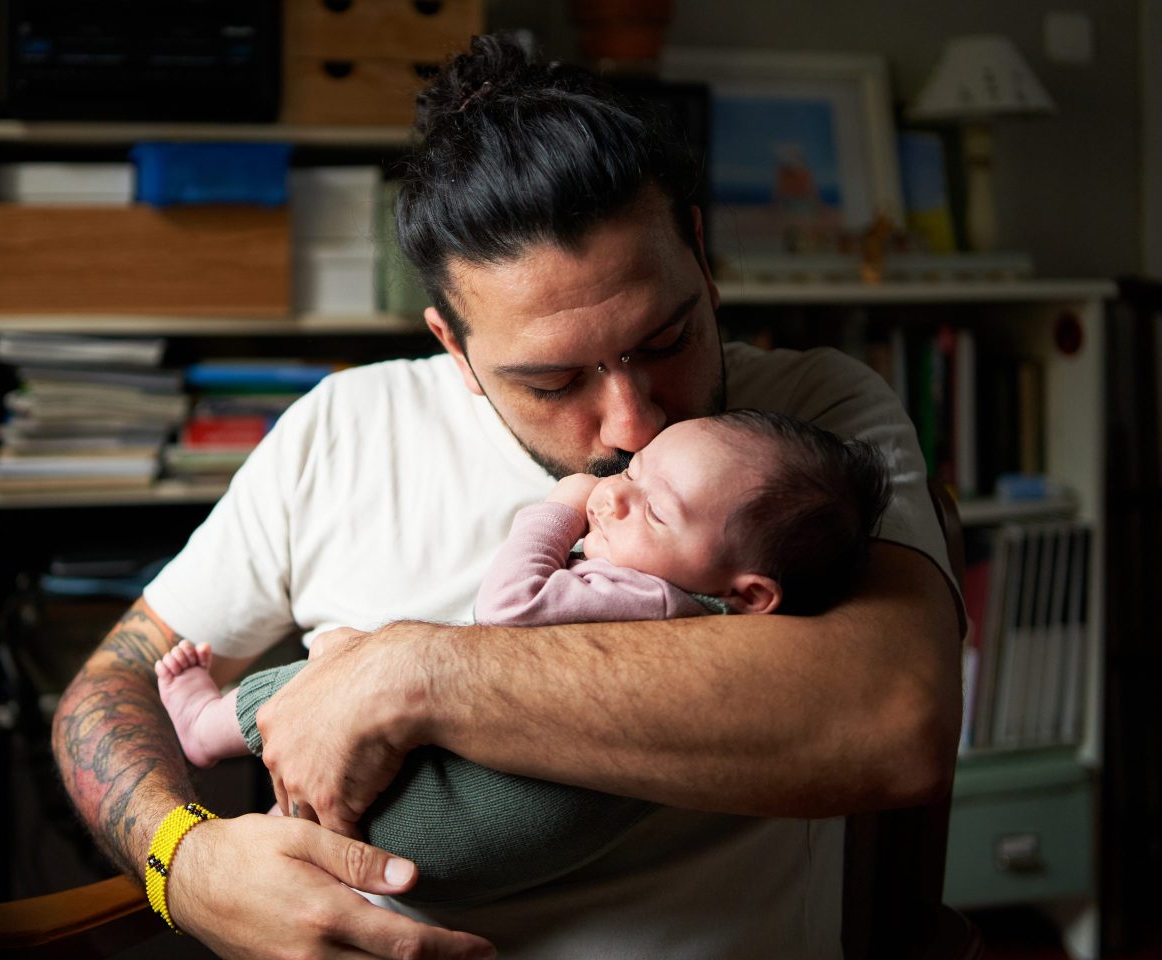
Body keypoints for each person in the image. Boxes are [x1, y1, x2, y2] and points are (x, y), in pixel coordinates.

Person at [51, 33, 962, 960]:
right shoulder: (344, 429)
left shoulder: (810, 431)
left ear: (698, 252)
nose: (632, 425)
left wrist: (410, 671)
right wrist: (183, 862)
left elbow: (893, 720)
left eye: (665, 341)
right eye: (555, 381)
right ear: (454, 346)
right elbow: (109, 687)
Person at [153, 410, 893, 905]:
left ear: (749, 594)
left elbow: (508, 607)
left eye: (655, 509)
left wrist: (558, 508)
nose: (612, 496)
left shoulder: (653, 601)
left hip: (440, 824)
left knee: (327, 668)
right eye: (632, 471)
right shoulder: (691, 603)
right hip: (456, 855)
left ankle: (206, 725)